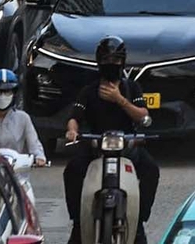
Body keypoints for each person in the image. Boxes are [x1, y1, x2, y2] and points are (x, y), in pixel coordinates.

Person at [61, 36, 160, 244]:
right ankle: (78, 222)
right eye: (107, 60)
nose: (111, 64)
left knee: (151, 169)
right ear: (99, 61)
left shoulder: (132, 88)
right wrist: (72, 131)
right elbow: (74, 117)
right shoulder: (89, 90)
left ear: (122, 62)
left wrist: (120, 100)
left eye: (115, 60)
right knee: (72, 170)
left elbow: (143, 116)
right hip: (96, 144)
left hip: (128, 145)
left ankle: (138, 222)